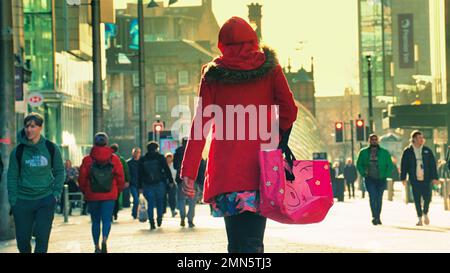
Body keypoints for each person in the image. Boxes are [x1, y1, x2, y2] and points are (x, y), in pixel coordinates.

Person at [180, 17, 298, 253]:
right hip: (261, 169)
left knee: (235, 244)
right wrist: (273, 136)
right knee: (254, 242)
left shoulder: (213, 75)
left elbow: (200, 126)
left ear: (221, 44)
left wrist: (189, 172)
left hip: (226, 173)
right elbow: (290, 110)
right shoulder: (270, 69)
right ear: (254, 41)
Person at [7, 113, 65, 253]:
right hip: (22, 201)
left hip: (45, 200)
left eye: (33, 126)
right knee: (22, 241)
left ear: (40, 128)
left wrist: (55, 194)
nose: (29, 129)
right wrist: (13, 200)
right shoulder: (18, 151)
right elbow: (12, 177)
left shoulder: (51, 148)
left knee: (42, 239)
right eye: (27, 126)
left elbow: (59, 171)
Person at [79, 133, 125, 253]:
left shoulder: (87, 160)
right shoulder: (114, 159)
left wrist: (85, 191)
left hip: (92, 195)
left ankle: (96, 246)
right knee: (106, 220)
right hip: (109, 195)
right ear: (106, 143)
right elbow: (120, 177)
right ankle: (104, 239)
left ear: (94, 143)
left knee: (95, 221)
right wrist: (117, 191)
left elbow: (82, 178)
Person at [400, 130, 439, 226]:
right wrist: (403, 178)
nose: (422, 140)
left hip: (426, 178)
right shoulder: (408, 151)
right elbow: (403, 165)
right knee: (416, 199)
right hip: (414, 179)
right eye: (419, 138)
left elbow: (432, 165)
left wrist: (435, 178)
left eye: (422, 138)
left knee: (428, 197)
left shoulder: (427, 151)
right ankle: (419, 218)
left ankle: (425, 212)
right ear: (414, 139)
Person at [356, 134, 393, 226]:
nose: (374, 141)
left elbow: (390, 165)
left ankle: (378, 216)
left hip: (381, 179)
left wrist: (386, 175)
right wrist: (363, 173)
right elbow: (358, 164)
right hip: (369, 178)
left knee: (379, 198)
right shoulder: (363, 152)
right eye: (372, 139)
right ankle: (374, 216)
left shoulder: (384, 152)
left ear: (378, 141)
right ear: (369, 141)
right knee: (372, 197)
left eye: (375, 139)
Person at [139, 141, 175, 230]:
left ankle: (151, 221)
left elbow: (140, 174)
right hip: (160, 183)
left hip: (147, 184)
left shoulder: (143, 159)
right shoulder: (160, 157)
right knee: (160, 202)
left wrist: (140, 186)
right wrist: (170, 181)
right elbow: (166, 169)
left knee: (150, 203)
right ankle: (159, 218)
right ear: (156, 148)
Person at [110, 144, 130, 221]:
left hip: (108, 182)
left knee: (110, 198)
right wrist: (126, 181)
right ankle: (115, 213)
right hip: (117, 182)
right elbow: (125, 170)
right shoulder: (121, 159)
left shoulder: (107, 157)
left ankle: (110, 213)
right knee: (116, 198)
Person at [127, 147, 141, 219]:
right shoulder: (129, 162)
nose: (136, 154)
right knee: (136, 199)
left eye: (138, 152)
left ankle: (135, 212)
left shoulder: (141, 162)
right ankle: (134, 213)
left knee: (138, 199)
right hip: (133, 184)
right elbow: (127, 173)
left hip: (140, 184)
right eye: (135, 152)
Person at [165, 153, 178, 218]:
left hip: (173, 183)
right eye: (168, 158)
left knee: (172, 198)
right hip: (165, 184)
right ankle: (163, 211)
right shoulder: (164, 166)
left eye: (170, 158)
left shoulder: (174, 165)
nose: (169, 159)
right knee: (164, 198)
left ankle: (173, 210)